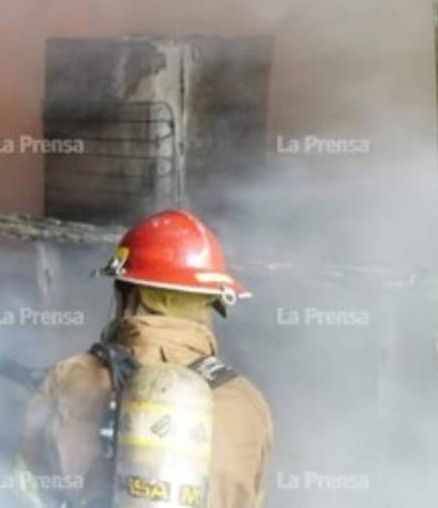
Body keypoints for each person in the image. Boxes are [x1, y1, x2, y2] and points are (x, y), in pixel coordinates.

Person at [16, 210, 273, 507]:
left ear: (127, 294)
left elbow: (26, 489)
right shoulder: (248, 403)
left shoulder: (69, 377)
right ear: (212, 303)